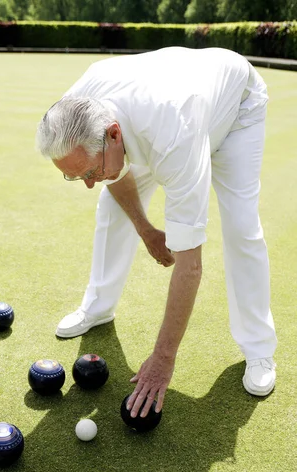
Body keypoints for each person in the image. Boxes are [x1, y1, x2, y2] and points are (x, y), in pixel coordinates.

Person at [36, 46, 277, 419]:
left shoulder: (173, 130)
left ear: (114, 135)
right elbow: (111, 173)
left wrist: (163, 358)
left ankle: (259, 348)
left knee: (242, 227)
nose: (86, 184)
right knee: (110, 205)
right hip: (165, 111)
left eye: (87, 172)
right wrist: (147, 230)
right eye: (74, 174)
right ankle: (98, 307)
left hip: (234, 111)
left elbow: (190, 264)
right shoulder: (75, 109)